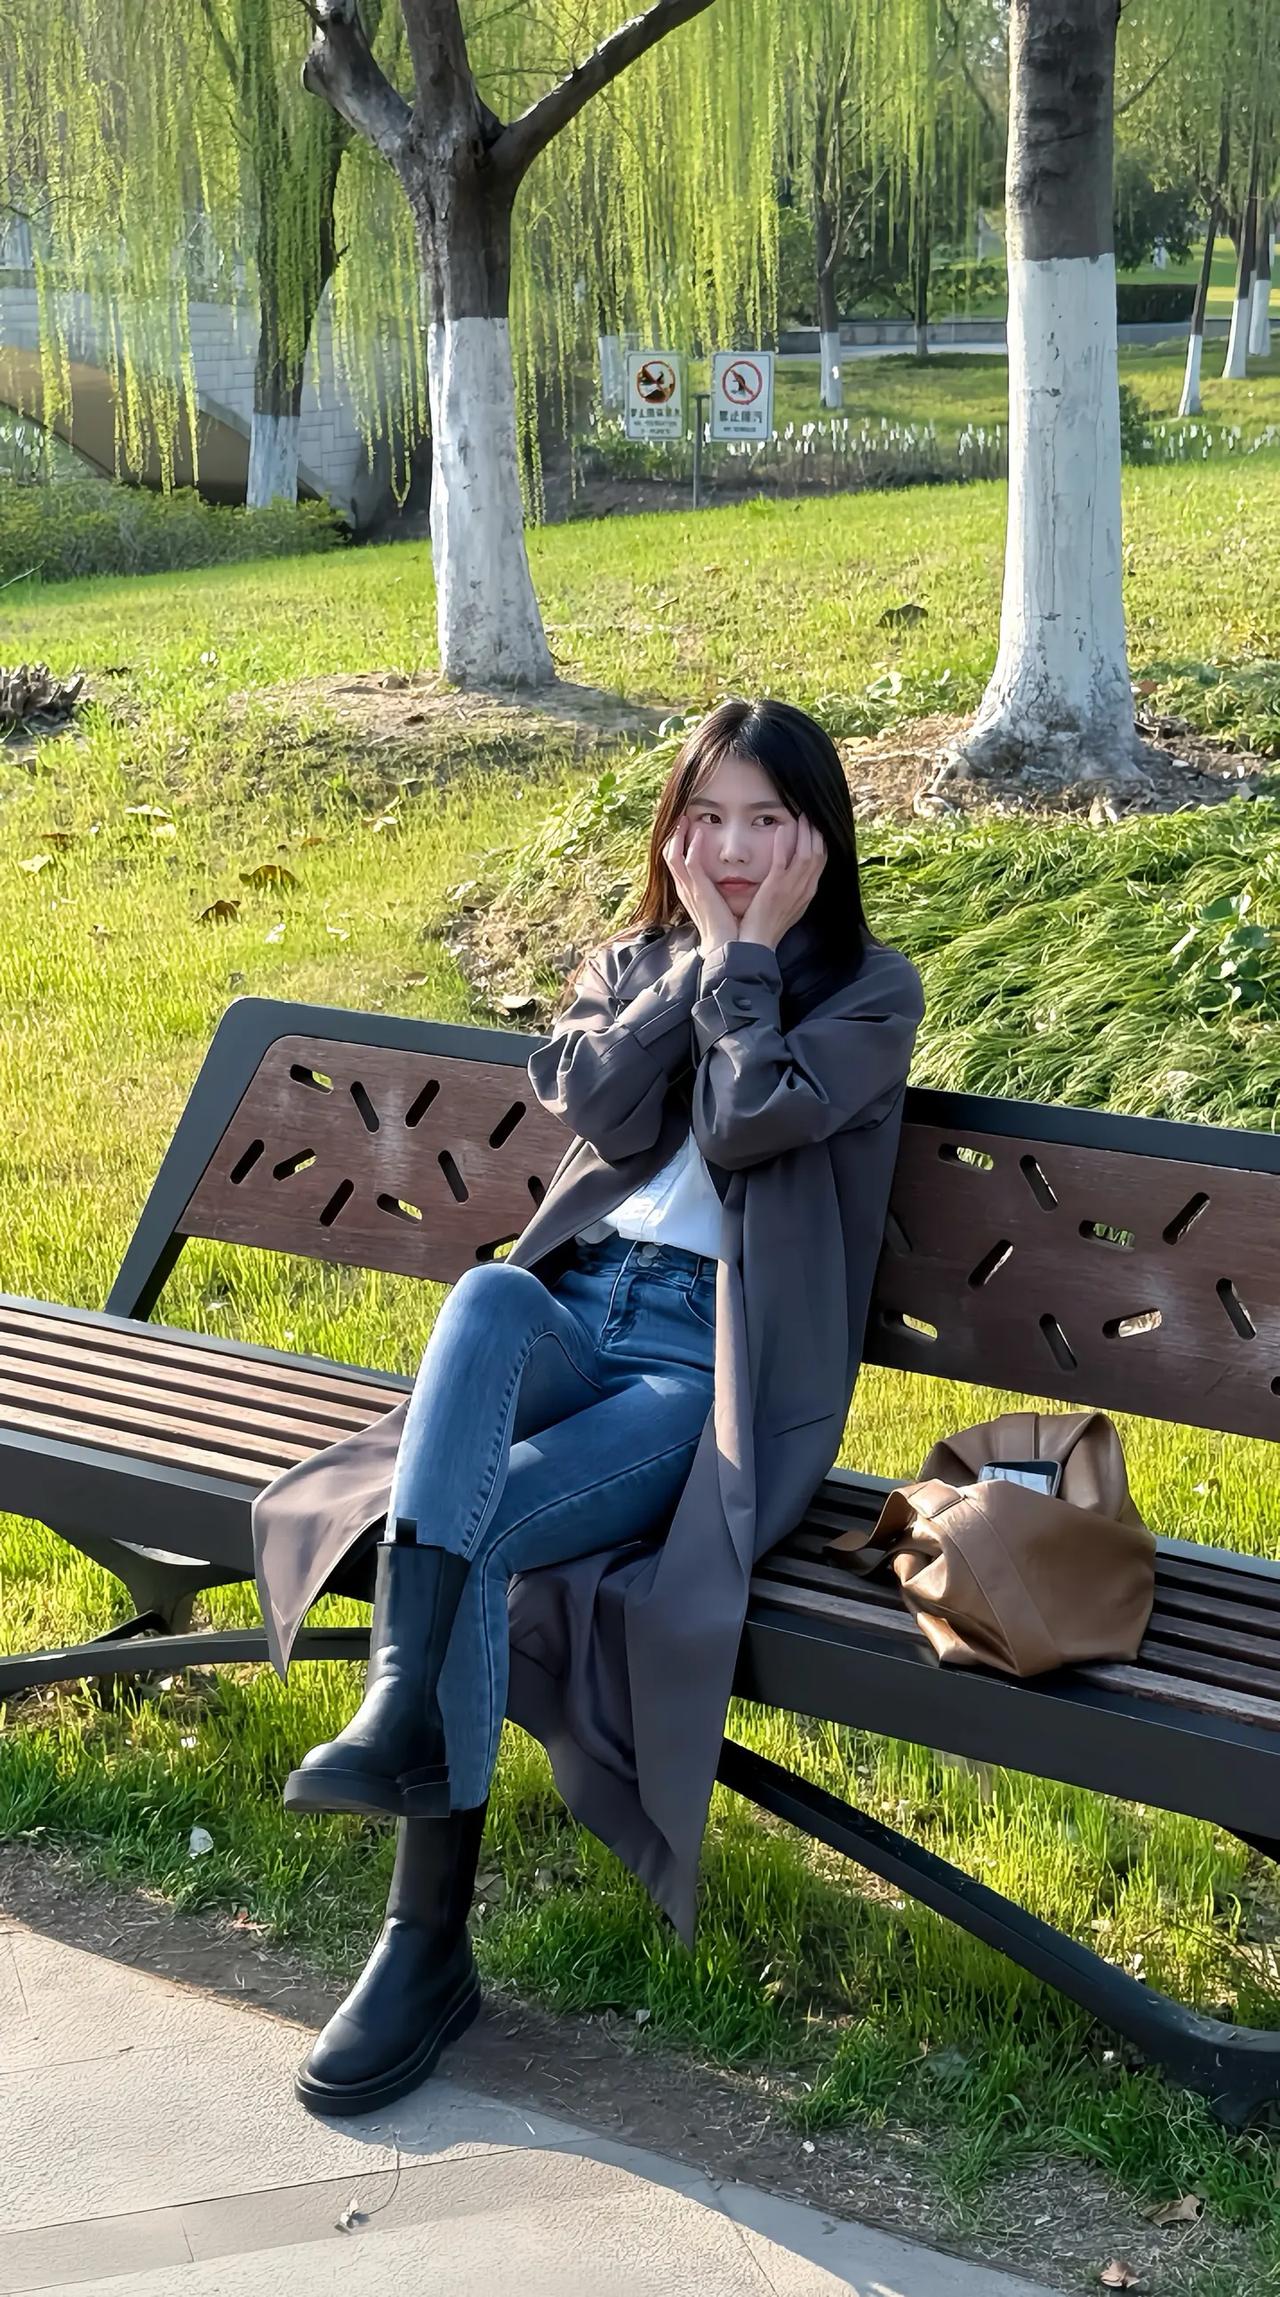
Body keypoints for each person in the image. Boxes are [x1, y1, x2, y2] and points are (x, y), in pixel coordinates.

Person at [251, 696, 925, 2116]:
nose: (733, 850)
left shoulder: (872, 995)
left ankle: (421, 1943)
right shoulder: (629, 961)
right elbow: (605, 1106)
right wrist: (694, 969)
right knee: (489, 1294)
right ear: (671, 832)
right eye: (708, 818)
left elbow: (745, 1123)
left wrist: (742, 965)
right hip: (575, 1311)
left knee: (485, 1533)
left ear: (820, 838)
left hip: (706, 1369)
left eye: (768, 820)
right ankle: (400, 1705)